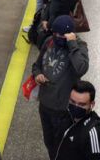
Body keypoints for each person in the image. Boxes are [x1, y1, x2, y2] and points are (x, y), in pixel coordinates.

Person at [32, 15, 89, 160]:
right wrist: (37, 75)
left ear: (70, 34)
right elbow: (36, 65)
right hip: (45, 106)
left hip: (63, 111)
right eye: (55, 33)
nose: (57, 37)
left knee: (62, 147)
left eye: (61, 35)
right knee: (49, 142)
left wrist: (72, 45)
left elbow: (81, 68)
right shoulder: (49, 42)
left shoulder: (79, 47)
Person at [53, 81, 100, 160]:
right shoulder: (67, 119)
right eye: (72, 102)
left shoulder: (94, 133)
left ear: (92, 104)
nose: (76, 107)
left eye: (81, 104)